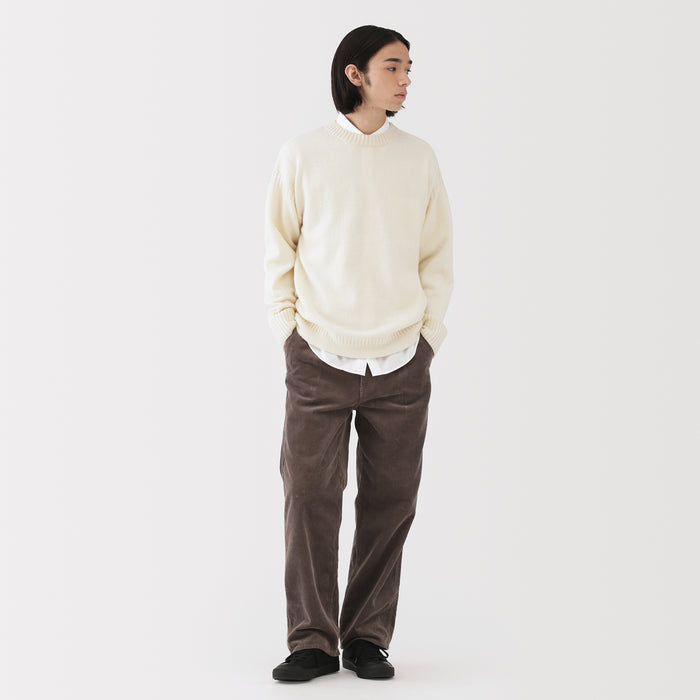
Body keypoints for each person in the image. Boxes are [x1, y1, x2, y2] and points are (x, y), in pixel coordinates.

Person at [264, 24, 454, 682]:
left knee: (390, 502)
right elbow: (278, 248)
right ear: (355, 74)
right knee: (309, 499)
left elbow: (437, 256)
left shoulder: (419, 158)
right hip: (319, 356)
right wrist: (289, 334)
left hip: (401, 361)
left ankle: (367, 637)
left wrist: (428, 338)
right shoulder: (304, 154)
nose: (406, 79)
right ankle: (312, 641)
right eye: (393, 66)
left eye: (409, 67)